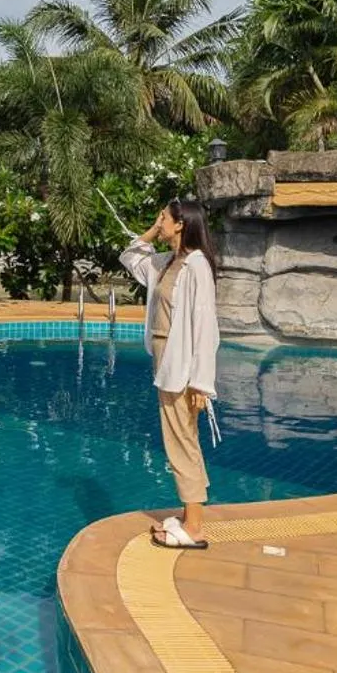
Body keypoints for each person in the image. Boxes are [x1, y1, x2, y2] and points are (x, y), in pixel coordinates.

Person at [120, 198, 220, 550]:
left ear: (181, 224)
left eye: (163, 217)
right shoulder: (167, 262)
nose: (158, 220)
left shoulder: (196, 266)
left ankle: (194, 528)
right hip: (165, 357)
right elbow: (130, 257)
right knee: (181, 437)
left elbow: (205, 326)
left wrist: (201, 383)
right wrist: (152, 230)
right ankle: (190, 517)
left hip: (182, 364)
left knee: (182, 440)